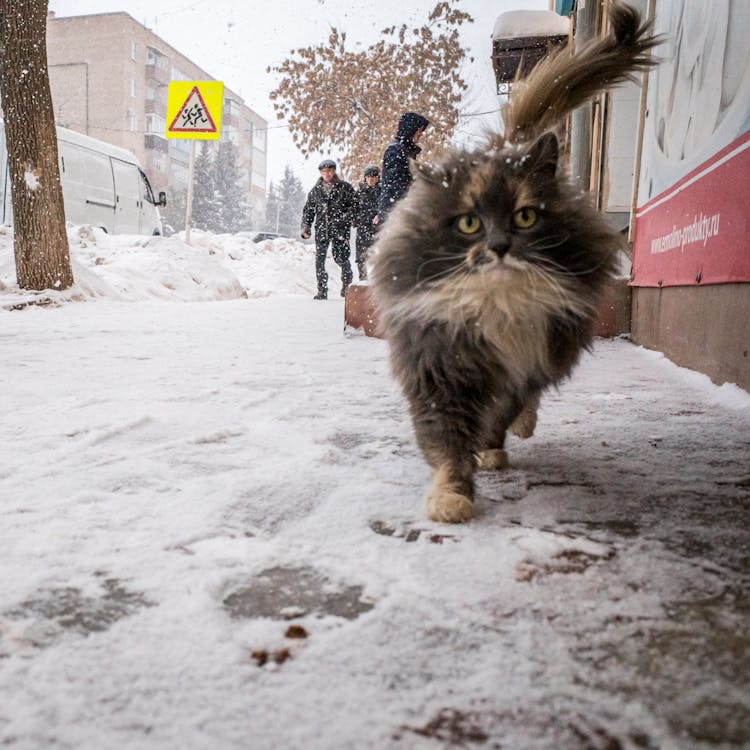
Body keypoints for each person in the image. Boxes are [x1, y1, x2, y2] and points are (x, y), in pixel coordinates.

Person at [301, 159, 357, 300]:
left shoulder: (345, 188)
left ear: (334, 171)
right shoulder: (315, 191)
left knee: (341, 258)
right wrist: (306, 227)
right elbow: (308, 211)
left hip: (340, 230)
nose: (327, 174)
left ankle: (346, 284)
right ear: (320, 172)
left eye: (330, 170)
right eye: (324, 171)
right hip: (321, 229)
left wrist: (345, 218)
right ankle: (322, 290)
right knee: (319, 260)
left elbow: (355, 206)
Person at [378, 112, 430, 221]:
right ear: (411, 129)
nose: (420, 134)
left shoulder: (406, 151)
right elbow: (395, 185)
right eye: (419, 130)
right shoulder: (396, 151)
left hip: (401, 210)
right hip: (395, 212)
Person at [352, 165, 381, 281]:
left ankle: (379, 282)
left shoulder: (383, 192)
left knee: (379, 257)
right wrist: (354, 220)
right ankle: (362, 281)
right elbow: (353, 208)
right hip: (362, 229)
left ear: (378, 178)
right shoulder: (359, 193)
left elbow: (389, 207)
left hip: (379, 230)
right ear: (365, 178)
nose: (371, 179)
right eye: (368, 177)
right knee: (361, 258)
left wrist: (381, 215)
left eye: (373, 177)